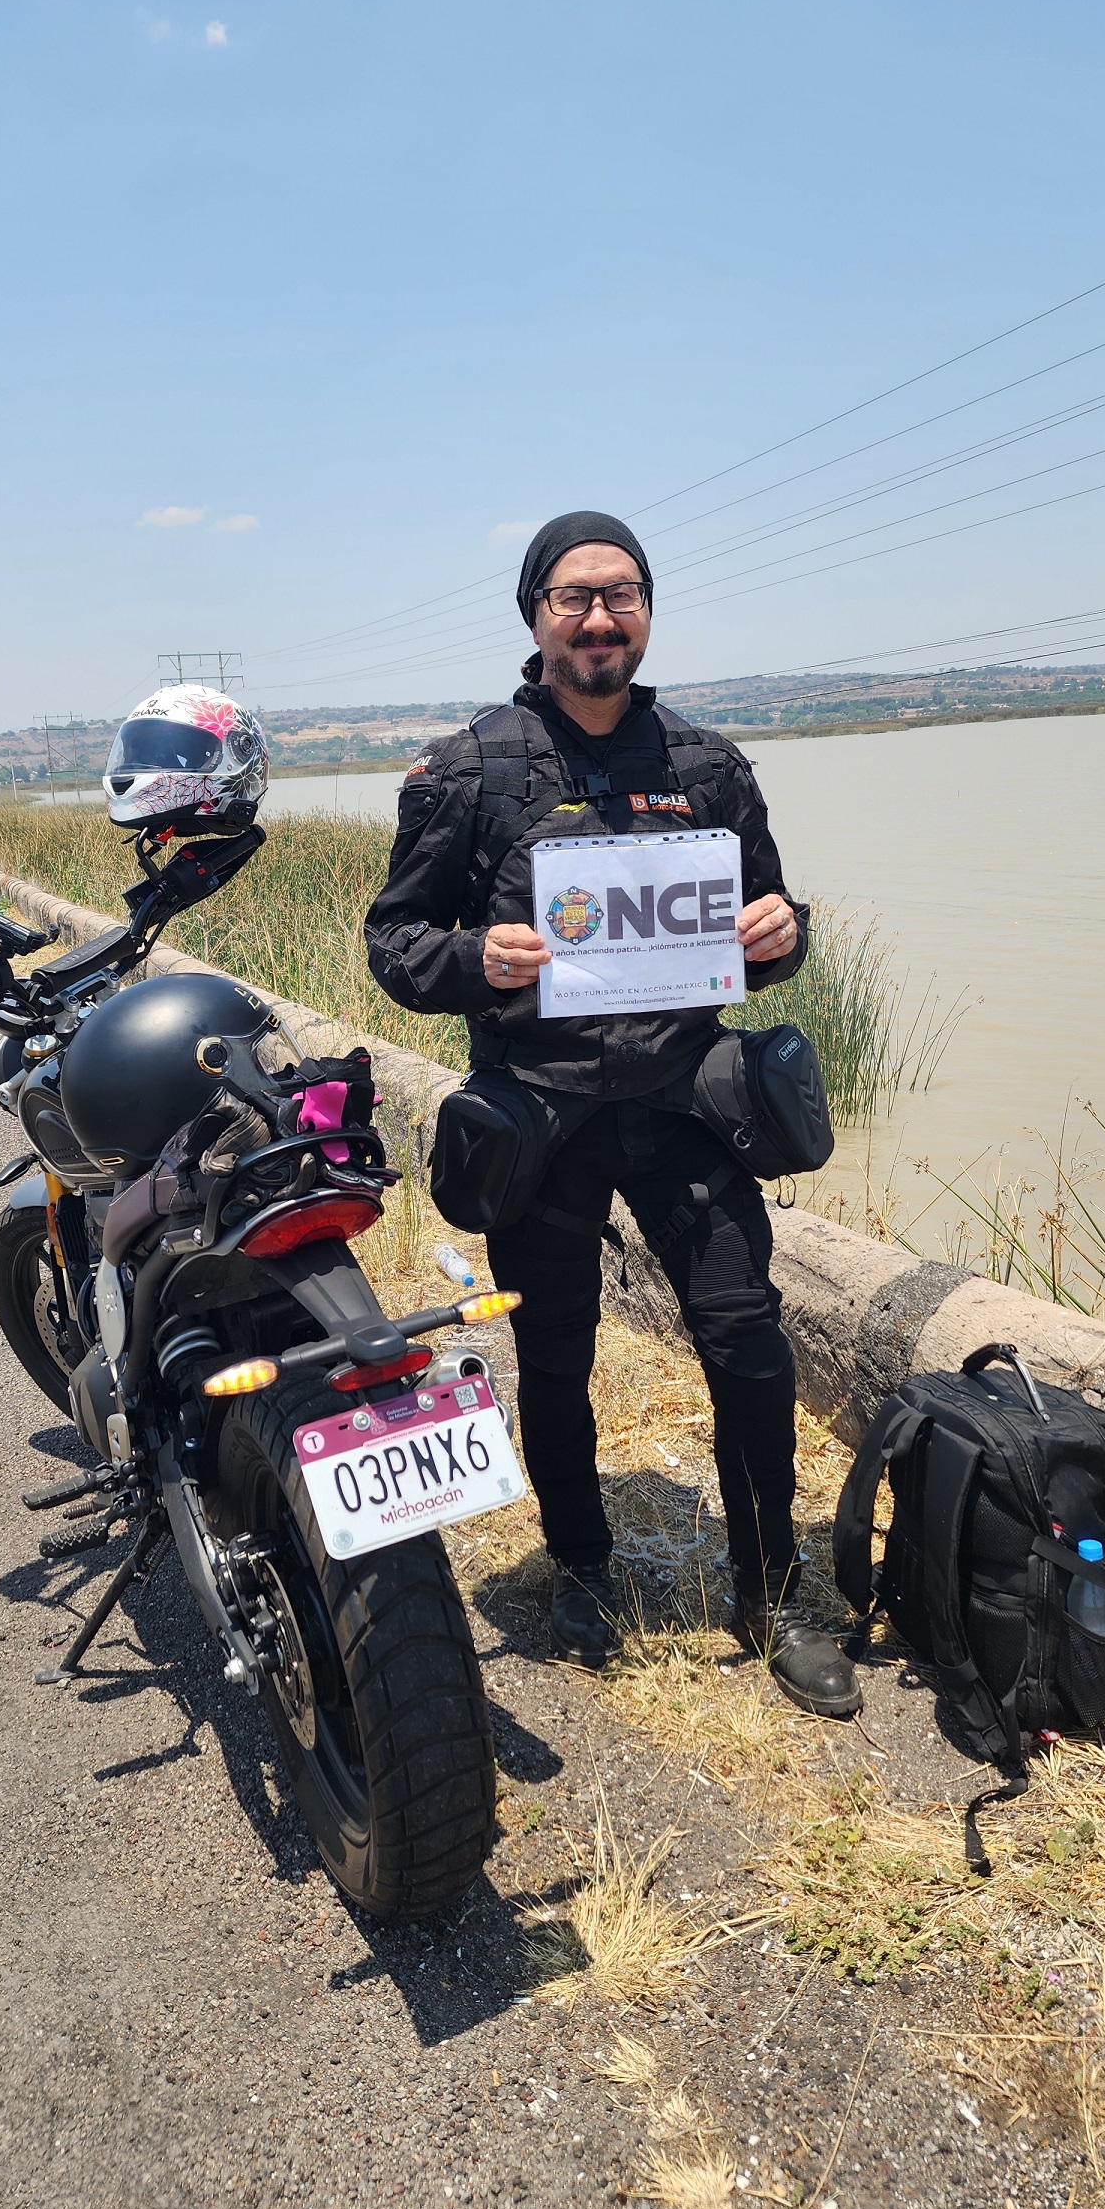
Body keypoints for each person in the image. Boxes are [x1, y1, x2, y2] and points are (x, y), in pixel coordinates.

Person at [363, 510, 860, 1717]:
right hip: (540, 1115)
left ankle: (770, 1589)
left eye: (621, 594)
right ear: (536, 616)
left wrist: (781, 936)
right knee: (557, 1356)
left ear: (647, 612)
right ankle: (582, 1567)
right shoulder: (466, 771)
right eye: (575, 597)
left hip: (684, 1106)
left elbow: (770, 927)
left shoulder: (706, 766)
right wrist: (480, 958)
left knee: (748, 1342)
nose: (599, 617)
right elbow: (395, 943)